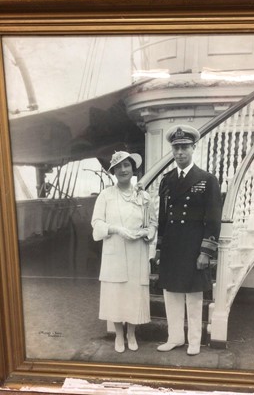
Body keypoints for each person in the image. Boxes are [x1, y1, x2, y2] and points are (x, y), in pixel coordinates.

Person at [156, 124, 222, 356]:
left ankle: (194, 341)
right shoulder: (167, 180)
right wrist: (160, 248)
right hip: (173, 247)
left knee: (194, 297)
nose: (180, 152)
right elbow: (163, 218)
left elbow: (213, 220)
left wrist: (206, 251)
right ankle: (175, 338)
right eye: (176, 148)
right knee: (171, 294)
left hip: (195, 247)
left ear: (194, 147)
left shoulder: (207, 179)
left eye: (184, 147)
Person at [91, 151, 157, 353]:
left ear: (132, 168)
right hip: (115, 250)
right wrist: (117, 229)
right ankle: (119, 335)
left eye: (126, 165)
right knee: (116, 294)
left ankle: (132, 334)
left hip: (137, 250)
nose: (123, 170)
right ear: (113, 171)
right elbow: (96, 224)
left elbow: (153, 223)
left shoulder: (144, 196)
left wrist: (148, 232)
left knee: (133, 293)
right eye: (118, 167)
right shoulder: (106, 195)